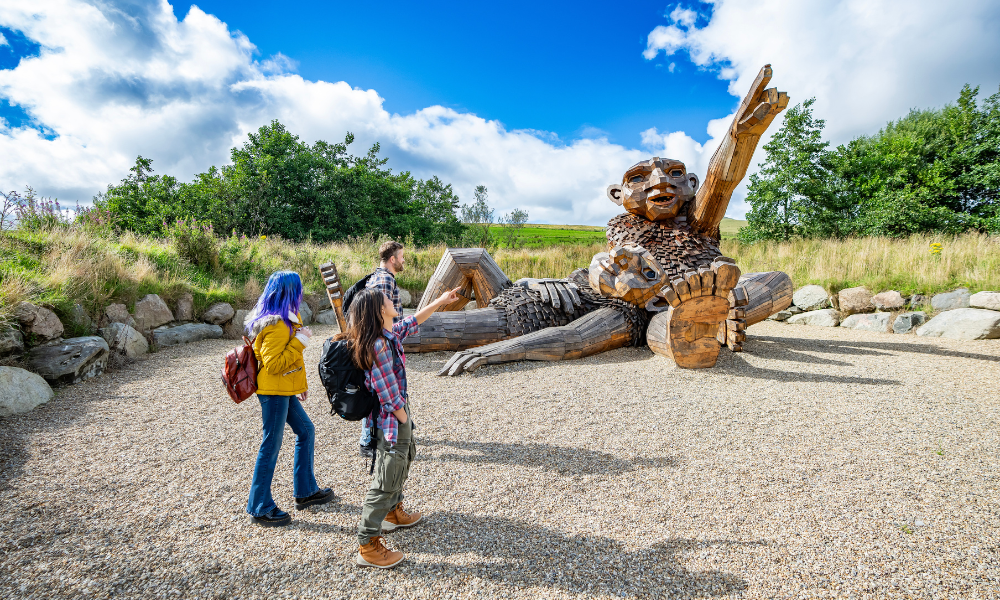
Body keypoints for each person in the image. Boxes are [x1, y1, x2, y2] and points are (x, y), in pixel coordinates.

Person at [344, 284, 460, 568]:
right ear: (379, 309)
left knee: (402, 462)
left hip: (395, 415)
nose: (391, 299)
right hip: (392, 420)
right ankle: (367, 545)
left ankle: (392, 513)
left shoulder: (387, 334)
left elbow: (413, 320)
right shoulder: (378, 345)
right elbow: (386, 391)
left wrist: (441, 301)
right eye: (386, 298)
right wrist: (404, 418)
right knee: (386, 477)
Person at [245, 270, 335, 526]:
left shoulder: (283, 322)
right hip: (273, 392)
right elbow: (273, 365)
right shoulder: (276, 325)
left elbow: (287, 362)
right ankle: (259, 506)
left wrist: (298, 385)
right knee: (270, 445)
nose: (302, 292)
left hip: (282, 389)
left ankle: (306, 492)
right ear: (290, 292)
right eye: (299, 288)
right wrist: (300, 342)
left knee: (306, 430)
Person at [359, 240, 406, 457]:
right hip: (382, 344)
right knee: (380, 391)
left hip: (384, 341)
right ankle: (369, 440)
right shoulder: (384, 281)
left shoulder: (379, 278)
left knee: (380, 389)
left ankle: (374, 436)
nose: (403, 260)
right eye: (401, 256)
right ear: (392, 259)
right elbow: (376, 315)